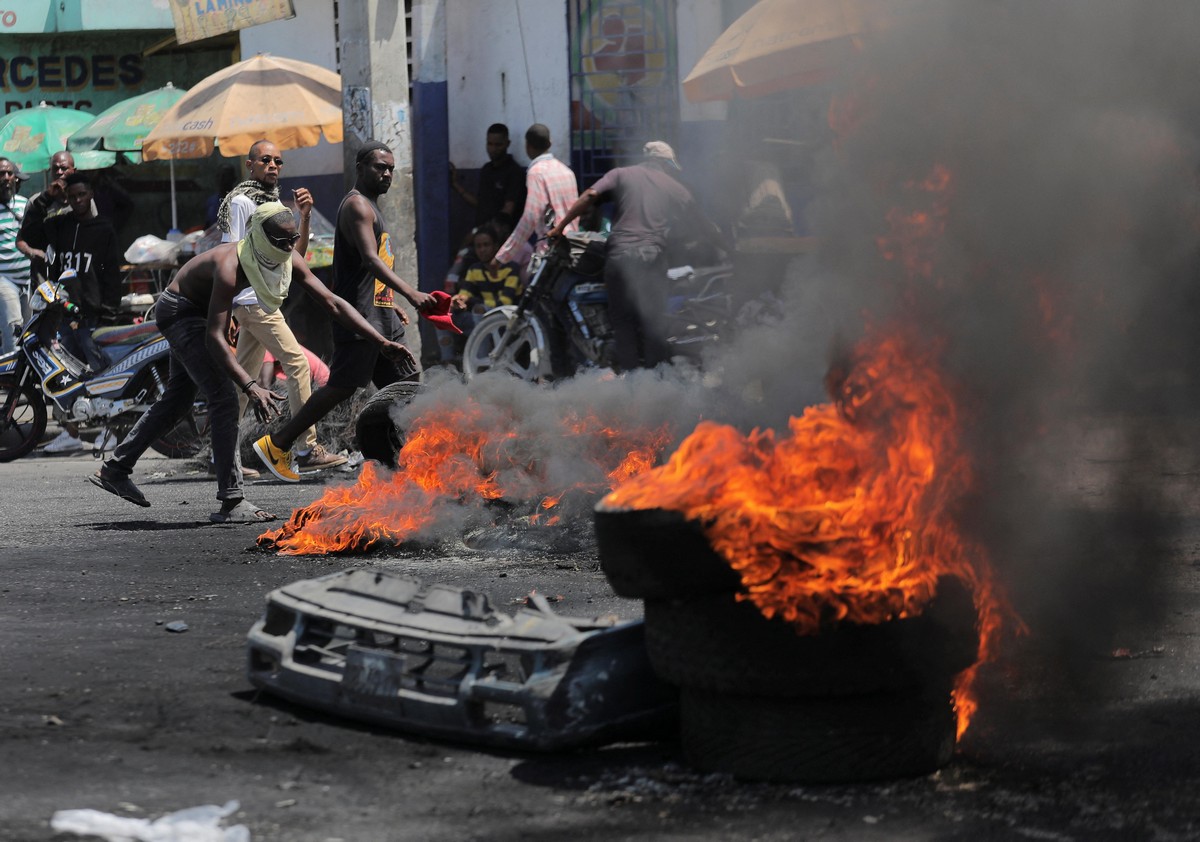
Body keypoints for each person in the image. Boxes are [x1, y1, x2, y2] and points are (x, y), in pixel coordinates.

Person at [88, 202, 416, 522]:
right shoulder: (229, 265)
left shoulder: (287, 257)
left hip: (202, 313)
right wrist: (251, 385)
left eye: (292, 240)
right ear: (259, 238)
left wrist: (381, 341)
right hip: (181, 311)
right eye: (282, 241)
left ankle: (116, 469)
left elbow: (332, 303)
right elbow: (215, 337)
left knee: (178, 400)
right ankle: (231, 500)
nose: (289, 247)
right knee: (225, 398)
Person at [253, 141, 444, 482]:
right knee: (342, 386)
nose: (386, 173)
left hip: (380, 314)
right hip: (360, 320)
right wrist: (412, 293)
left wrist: (391, 302)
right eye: (378, 167)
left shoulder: (371, 205)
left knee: (406, 390)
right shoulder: (357, 205)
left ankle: (406, 463)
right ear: (360, 168)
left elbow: (367, 268)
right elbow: (370, 260)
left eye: (390, 168)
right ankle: (277, 444)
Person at [217, 139, 345, 474]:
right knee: (298, 364)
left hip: (263, 300)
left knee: (241, 385)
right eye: (265, 160)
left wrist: (304, 217)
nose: (273, 166)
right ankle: (306, 448)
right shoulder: (241, 202)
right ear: (250, 165)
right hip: (253, 302)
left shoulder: (273, 204)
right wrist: (228, 306)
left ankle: (224, 456)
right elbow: (230, 254)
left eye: (278, 161)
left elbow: (294, 256)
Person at [547, 141, 715, 371]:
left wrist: (560, 227)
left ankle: (631, 386)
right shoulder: (673, 185)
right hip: (653, 257)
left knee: (623, 324)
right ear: (665, 163)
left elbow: (590, 195)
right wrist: (726, 248)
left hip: (620, 257)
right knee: (652, 324)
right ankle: (656, 385)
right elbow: (702, 222)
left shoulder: (620, 174)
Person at [493, 124, 580, 268]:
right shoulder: (566, 172)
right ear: (550, 143)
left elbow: (530, 217)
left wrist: (502, 256)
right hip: (572, 249)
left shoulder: (536, 173)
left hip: (550, 252)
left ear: (527, 145)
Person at [15, 151, 96, 286]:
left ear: (73, 171)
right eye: (55, 168)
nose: (59, 172)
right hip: (44, 277)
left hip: (76, 275)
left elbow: (94, 234)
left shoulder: (83, 201)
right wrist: (35, 253)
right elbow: (21, 239)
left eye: (64, 168)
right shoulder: (37, 201)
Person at [449, 123, 527, 227]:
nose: (493, 149)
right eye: (490, 144)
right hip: (483, 233)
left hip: (501, 236)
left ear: (507, 144)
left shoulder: (514, 172)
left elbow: (508, 209)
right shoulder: (486, 170)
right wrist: (456, 185)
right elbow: (480, 204)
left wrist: (492, 232)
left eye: (498, 145)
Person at [0, 157, 31, 356]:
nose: (6, 177)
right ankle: (9, 382)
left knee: (30, 331)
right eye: (1, 174)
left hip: (29, 280)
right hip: (4, 280)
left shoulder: (25, 204)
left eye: (10, 173)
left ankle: (27, 381)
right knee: (13, 330)